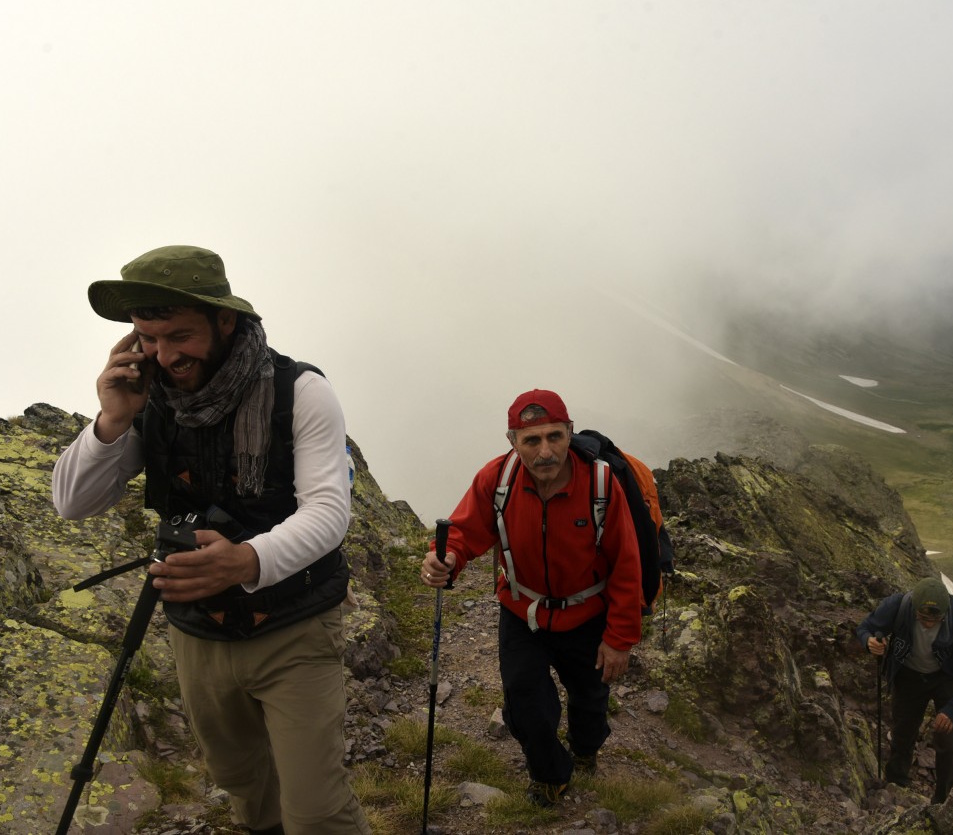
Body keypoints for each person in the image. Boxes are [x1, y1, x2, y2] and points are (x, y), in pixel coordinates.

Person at [52, 245, 370, 835]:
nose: (165, 355)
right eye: (147, 337)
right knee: (246, 789)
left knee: (317, 810)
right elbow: (73, 502)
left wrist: (246, 560)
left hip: (294, 627)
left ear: (226, 320)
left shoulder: (300, 392)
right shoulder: (151, 402)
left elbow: (328, 512)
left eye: (180, 335)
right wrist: (113, 420)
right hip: (196, 633)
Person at [420, 389, 642, 807]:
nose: (546, 451)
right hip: (523, 613)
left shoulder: (600, 484)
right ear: (513, 442)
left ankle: (585, 749)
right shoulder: (497, 479)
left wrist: (620, 637)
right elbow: (466, 531)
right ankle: (549, 774)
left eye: (555, 437)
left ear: (569, 432)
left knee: (590, 704)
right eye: (532, 440)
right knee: (524, 704)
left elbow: (626, 563)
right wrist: (446, 557)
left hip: (587, 615)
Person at [856, 576, 953, 804]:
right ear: (915, 607)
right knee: (903, 732)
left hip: (947, 678)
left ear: (944, 614)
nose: (927, 623)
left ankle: (943, 802)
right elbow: (865, 627)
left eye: (934, 619)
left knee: (950, 743)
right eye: (923, 617)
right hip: (909, 676)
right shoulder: (898, 606)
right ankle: (896, 785)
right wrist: (869, 642)